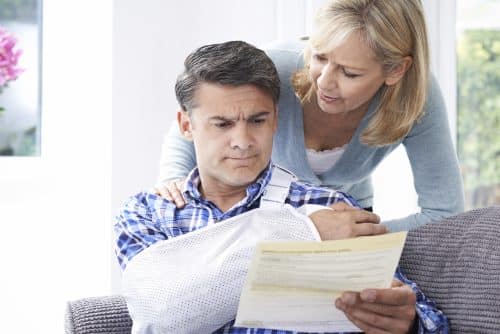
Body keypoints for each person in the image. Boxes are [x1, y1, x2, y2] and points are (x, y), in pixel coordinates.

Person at [115, 40, 448, 334]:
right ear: (187, 126)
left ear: (275, 119)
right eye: (223, 124)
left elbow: (429, 317)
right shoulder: (148, 214)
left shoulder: (333, 208)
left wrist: (408, 323)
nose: (243, 142)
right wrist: (304, 232)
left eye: (257, 121)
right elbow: (159, 314)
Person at [155, 0, 464, 232]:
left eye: (350, 72)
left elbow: (444, 211)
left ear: (396, 70)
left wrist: (362, 236)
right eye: (319, 56)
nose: (325, 82)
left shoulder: (417, 99)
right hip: (263, 215)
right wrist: (174, 182)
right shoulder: (275, 67)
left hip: (348, 218)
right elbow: (197, 116)